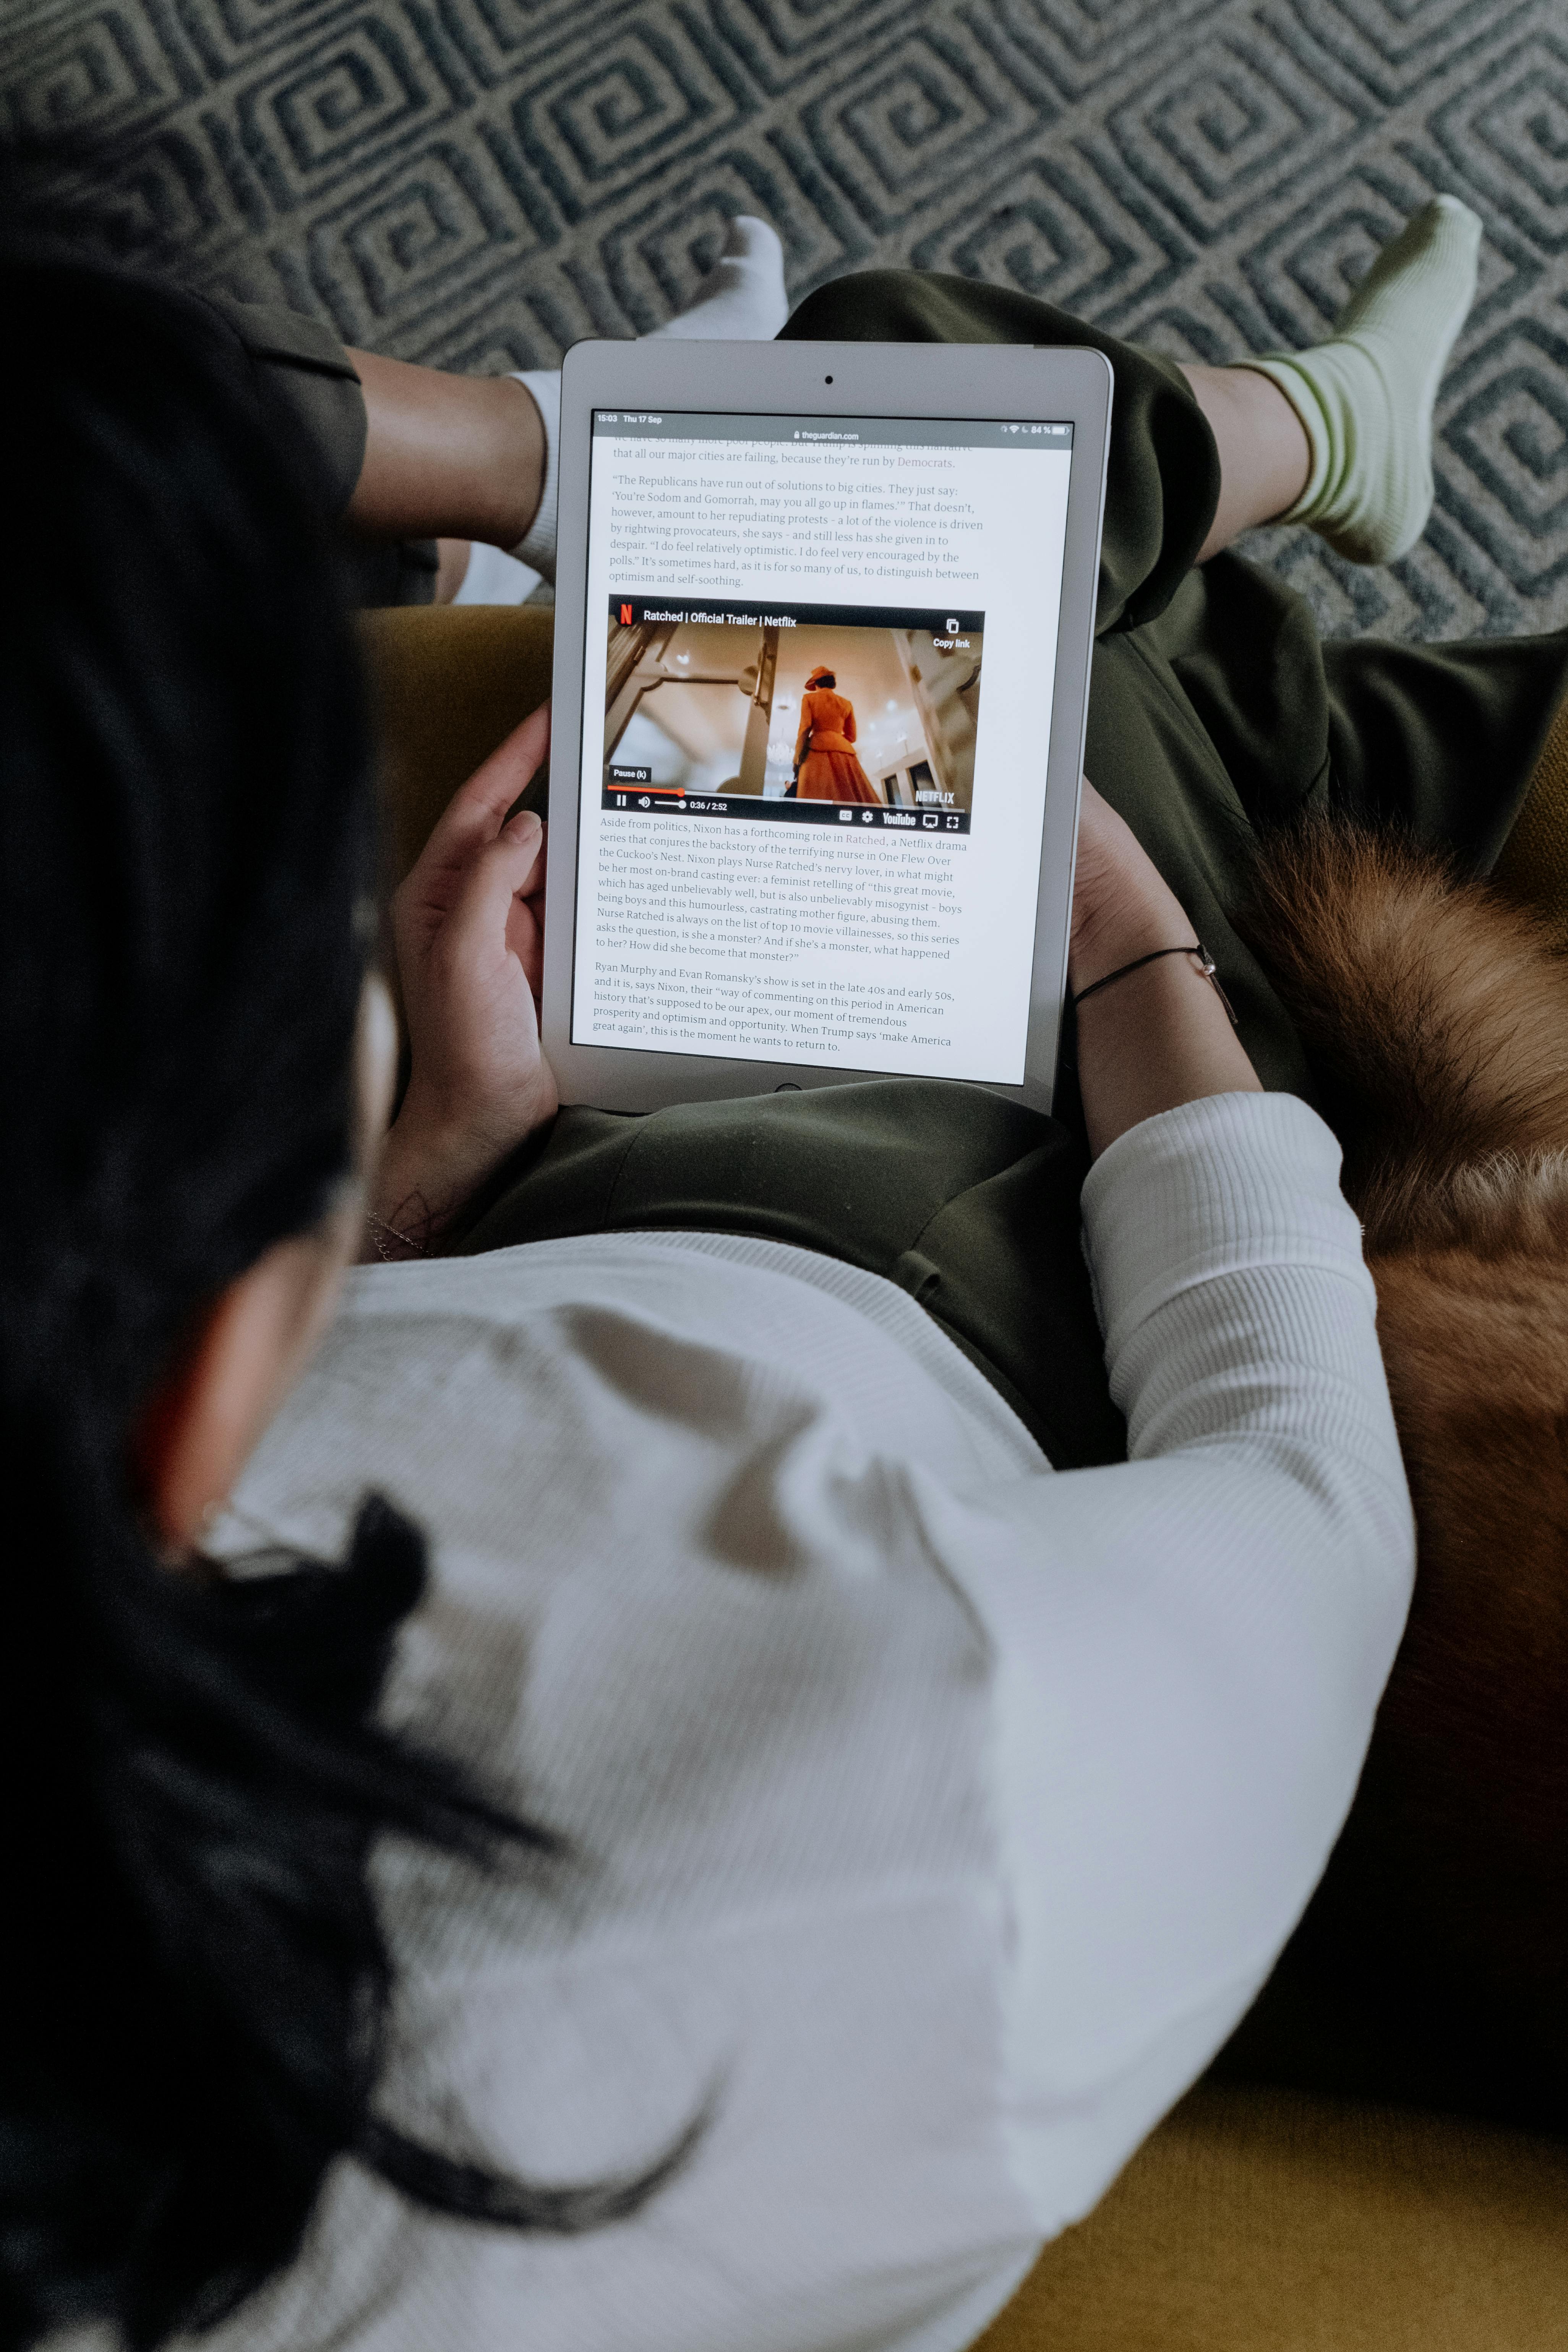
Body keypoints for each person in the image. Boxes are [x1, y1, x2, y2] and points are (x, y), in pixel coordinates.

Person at [3, 193, 1558, 2352]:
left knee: (911, 531)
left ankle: (1296, 573)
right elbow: (1312, 1505)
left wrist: (431, 1158)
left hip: (544, 1185)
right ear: (197, 1373)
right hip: (953, 1276)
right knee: (900, 411)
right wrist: (1135, 966)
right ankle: (1296, 479)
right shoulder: (930, 1816)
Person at [791, 663, 882, 803]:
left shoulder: (809, 699)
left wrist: (797, 758)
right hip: (844, 752)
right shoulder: (846, 703)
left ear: (816, 684)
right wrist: (836, 740)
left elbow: (805, 728)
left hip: (816, 750)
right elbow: (852, 736)